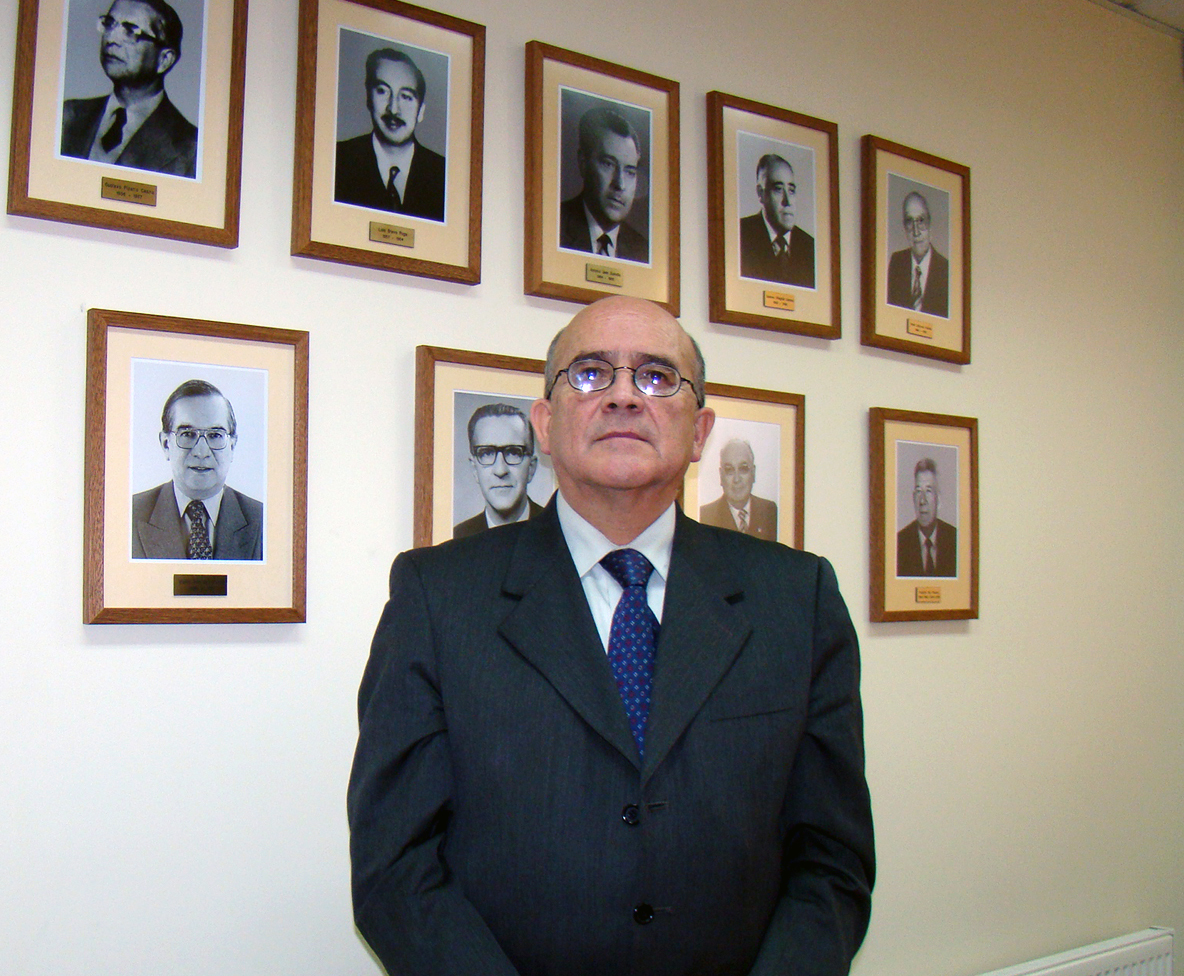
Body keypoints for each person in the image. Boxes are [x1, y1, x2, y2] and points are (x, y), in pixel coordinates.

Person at [349, 295, 873, 976]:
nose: (624, 395)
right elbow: (395, 866)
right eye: (591, 373)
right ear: (545, 423)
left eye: (657, 376)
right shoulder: (437, 596)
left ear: (700, 432)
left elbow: (832, 861)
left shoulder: (798, 599)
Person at [60, 0, 197, 178]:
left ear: (164, 60)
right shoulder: (68, 116)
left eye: (131, 31)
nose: (111, 39)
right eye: (109, 24)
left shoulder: (191, 148)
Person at [131, 379, 263, 560]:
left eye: (215, 435)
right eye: (187, 434)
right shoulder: (128, 515)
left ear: (232, 446)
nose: (201, 452)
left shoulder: (264, 519)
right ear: (166, 444)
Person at [334, 48, 446, 221]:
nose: (393, 109)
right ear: (368, 98)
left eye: (406, 96)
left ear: (421, 111)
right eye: (382, 91)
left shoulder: (443, 174)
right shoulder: (337, 160)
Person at [558, 105, 649, 263]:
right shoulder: (554, 227)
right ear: (583, 163)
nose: (620, 184)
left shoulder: (642, 250)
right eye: (608, 164)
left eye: (630, 172)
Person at [453, 403, 544, 538]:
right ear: (474, 469)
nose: (500, 470)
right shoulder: (458, 537)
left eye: (513, 453)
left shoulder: (557, 531)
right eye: (486, 453)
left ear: (531, 467)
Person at [738, 153, 815, 287]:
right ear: (761, 193)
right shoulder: (740, 235)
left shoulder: (810, 247)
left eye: (791, 190)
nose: (788, 201)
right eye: (778, 189)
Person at [698, 438, 778, 539]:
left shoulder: (769, 511)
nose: (736, 479)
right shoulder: (705, 515)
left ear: (753, 473)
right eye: (729, 470)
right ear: (721, 476)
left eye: (743, 469)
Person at [886, 190, 949, 316]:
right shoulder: (896, 262)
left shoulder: (945, 270)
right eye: (910, 222)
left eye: (921, 221)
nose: (916, 232)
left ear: (930, 224)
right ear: (904, 227)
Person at [896, 457, 957, 577]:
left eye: (928, 491)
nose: (922, 501)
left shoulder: (955, 540)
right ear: (913, 498)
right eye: (919, 491)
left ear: (938, 499)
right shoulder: (900, 543)